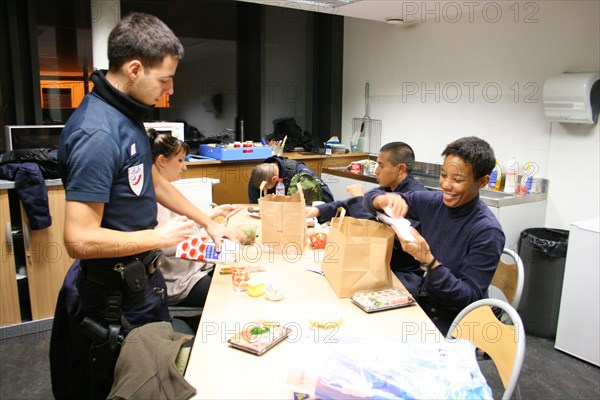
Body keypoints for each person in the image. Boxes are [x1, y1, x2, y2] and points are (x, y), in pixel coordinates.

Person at [49, 13, 233, 399]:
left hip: (143, 284)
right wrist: (156, 235)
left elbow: (152, 181)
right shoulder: (97, 133)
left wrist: (205, 220)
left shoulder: (126, 118)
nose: (169, 89)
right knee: (130, 387)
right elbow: (78, 239)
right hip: (111, 296)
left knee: (158, 377)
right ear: (134, 69)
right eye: (164, 79)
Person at [363, 136, 505, 335]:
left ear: (482, 181)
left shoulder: (487, 231)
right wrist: (382, 199)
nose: (446, 185)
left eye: (457, 180)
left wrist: (429, 262)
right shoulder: (433, 202)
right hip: (426, 303)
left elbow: (469, 298)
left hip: (457, 321)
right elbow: (369, 200)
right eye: (444, 175)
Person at [307, 142, 428, 281]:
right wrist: (316, 210)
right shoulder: (388, 189)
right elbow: (349, 204)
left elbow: (379, 236)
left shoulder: (415, 199)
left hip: (401, 274)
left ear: (400, 169)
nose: (376, 170)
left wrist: (359, 197)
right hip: (375, 266)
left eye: (381, 166)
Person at [149, 130, 238, 308]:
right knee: (230, 294)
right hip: (179, 282)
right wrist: (209, 242)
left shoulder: (168, 192)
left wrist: (214, 214)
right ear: (162, 161)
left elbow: (186, 226)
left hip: (191, 270)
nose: (185, 167)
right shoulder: (155, 199)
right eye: (180, 161)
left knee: (232, 274)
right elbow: (169, 244)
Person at [247, 155, 334, 204]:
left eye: (266, 187)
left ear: (274, 179)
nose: (264, 190)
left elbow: (327, 199)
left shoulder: (301, 173)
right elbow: (255, 206)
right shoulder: (257, 178)